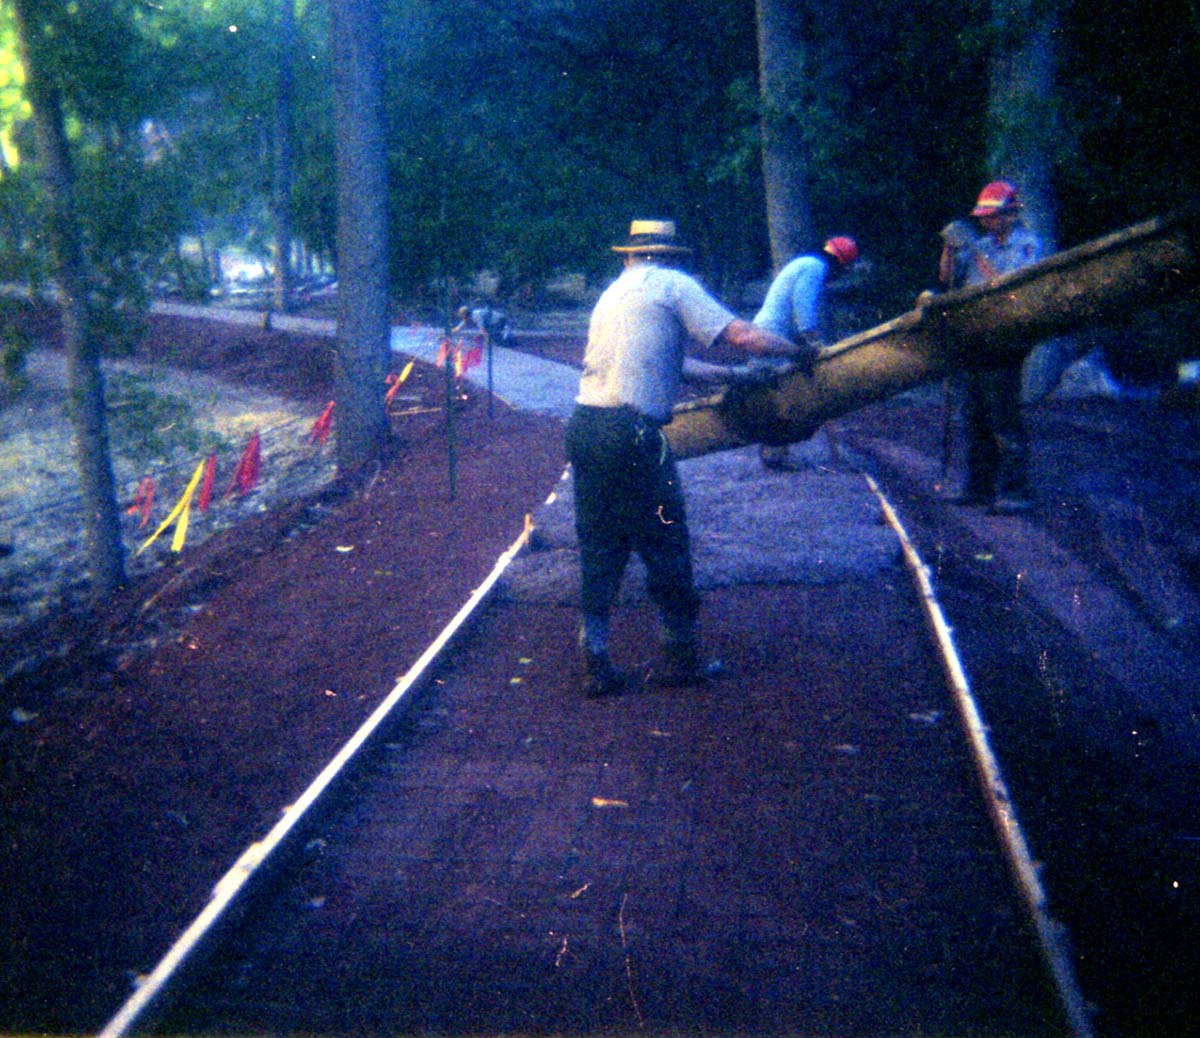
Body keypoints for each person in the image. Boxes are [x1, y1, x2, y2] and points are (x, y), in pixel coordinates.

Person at [566, 219, 816, 698]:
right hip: (635, 435)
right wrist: (795, 353)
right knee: (665, 539)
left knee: (600, 541)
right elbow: (742, 336)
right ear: (673, 255)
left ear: (629, 255)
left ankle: (594, 656)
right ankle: (679, 654)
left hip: (586, 429)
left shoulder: (614, 294)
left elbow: (671, 364)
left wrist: (734, 380)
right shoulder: (674, 284)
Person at [941, 180, 1045, 514]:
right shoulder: (979, 244)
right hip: (976, 338)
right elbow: (947, 280)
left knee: (1003, 416)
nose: (987, 222)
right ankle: (979, 487)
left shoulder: (1027, 245)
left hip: (1005, 339)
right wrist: (949, 248)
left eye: (994, 216)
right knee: (974, 416)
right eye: (984, 217)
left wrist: (975, 252)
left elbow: (1007, 288)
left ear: (1011, 214)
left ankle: (1017, 491)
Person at [752, 235, 859, 470]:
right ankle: (775, 453)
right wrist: (814, 340)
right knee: (783, 394)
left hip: (773, 334)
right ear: (839, 262)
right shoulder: (814, 267)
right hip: (774, 335)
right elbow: (803, 306)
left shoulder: (807, 264)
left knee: (779, 394)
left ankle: (776, 452)